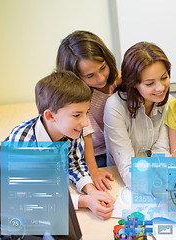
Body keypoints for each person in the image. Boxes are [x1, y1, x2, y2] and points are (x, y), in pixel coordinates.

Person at [5, 71, 115, 220]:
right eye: (77, 115)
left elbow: (74, 164)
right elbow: (29, 197)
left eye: (85, 113)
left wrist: (91, 190)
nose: (85, 123)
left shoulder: (71, 129)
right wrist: (84, 201)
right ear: (50, 116)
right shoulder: (22, 143)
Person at [57, 30, 121, 191]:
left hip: (117, 144)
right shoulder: (78, 98)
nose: (101, 78)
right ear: (75, 76)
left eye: (103, 68)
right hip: (92, 152)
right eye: (90, 75)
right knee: (101, 185)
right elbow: (86, 133)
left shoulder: (116, 80)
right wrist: (92, 170)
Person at [104, 42, 171, 187]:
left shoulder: (169, 103)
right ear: (133, 83)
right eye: (149, 83)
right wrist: (161, 190)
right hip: (121, 181)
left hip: (158, 179)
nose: (160, 88)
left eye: (164, 77)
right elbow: (127, 167)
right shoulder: (115, 107)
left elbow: (162, 153)